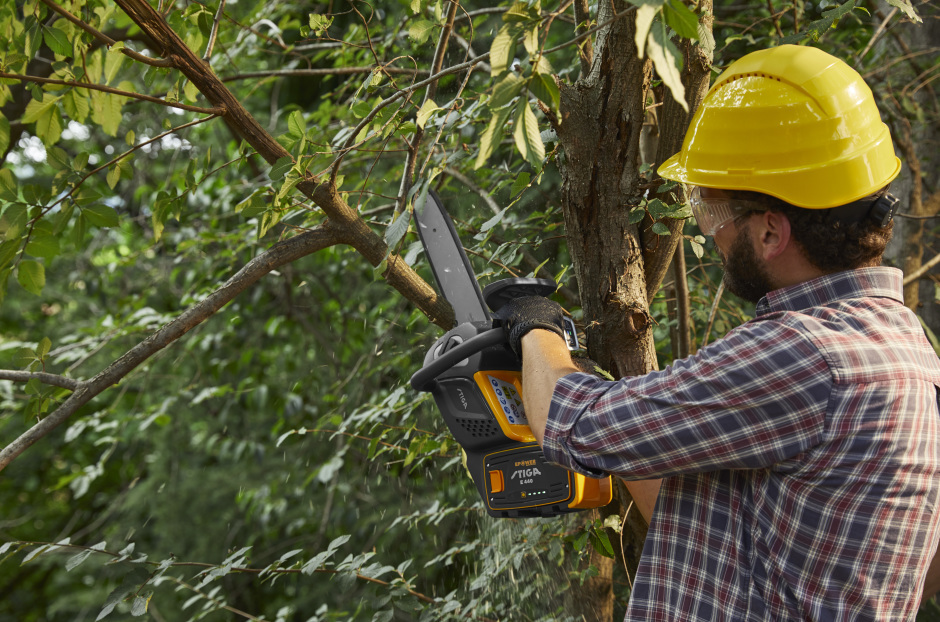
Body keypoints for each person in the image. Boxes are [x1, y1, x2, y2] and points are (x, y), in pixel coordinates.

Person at [496, 45, 940, 620]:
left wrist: (537, 330)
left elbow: (573, 426)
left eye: (713, 212)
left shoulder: (805, 354)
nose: (709, 234)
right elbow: (748, 543)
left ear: (771, 233)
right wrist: (639, 434)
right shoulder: (903, 344)